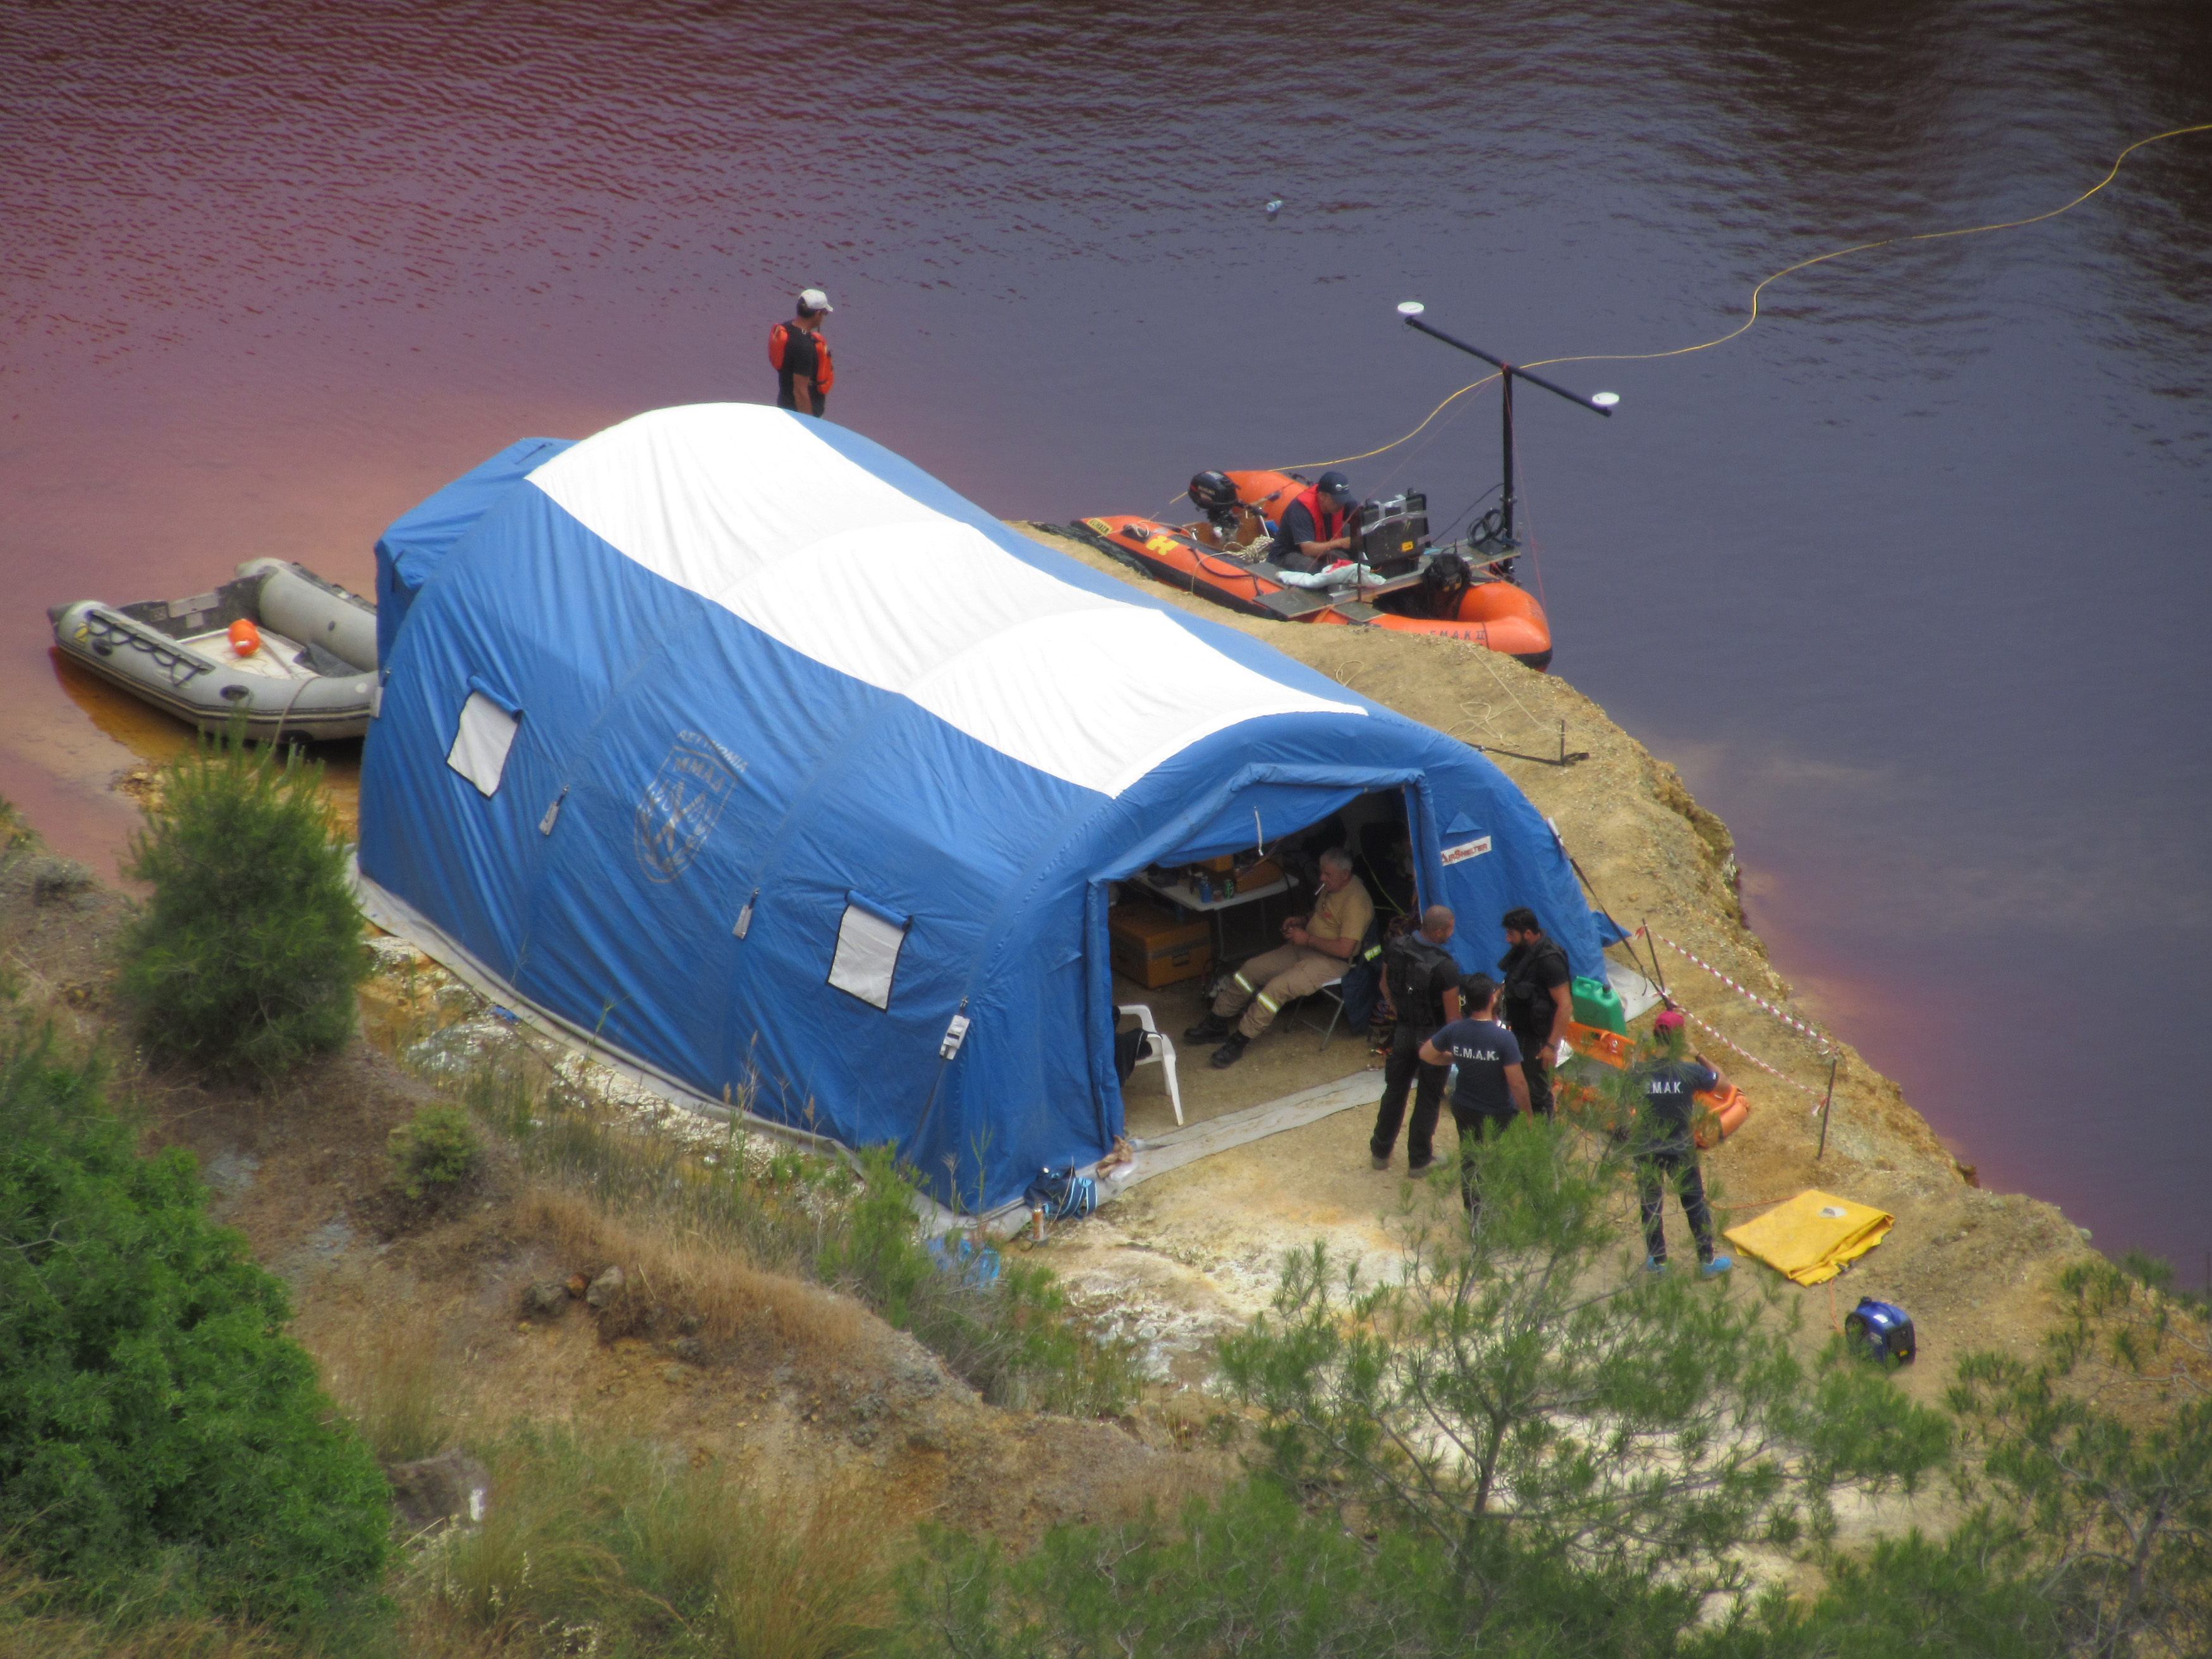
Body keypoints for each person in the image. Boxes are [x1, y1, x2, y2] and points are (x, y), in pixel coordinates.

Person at [1186, 848, 1373, 1068]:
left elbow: (1344, 950)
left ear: (1345, 875)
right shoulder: (1332, 886)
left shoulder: (1356, 901)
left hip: (1330, 962)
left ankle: (1239, 1040)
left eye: (1327, 874)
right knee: (1251, 969)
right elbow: (1322, 915)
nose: (1321, 878)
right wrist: (1302, 921)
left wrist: (1308, 939)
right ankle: (1217, 1021)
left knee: (1274, 990)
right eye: (1321, 872)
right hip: (1305, 947)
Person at [1418, 973, 1531, 1217]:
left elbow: (1426, 1054)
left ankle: (1474, 1213)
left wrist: (1456, 1056)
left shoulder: (1455, 1030)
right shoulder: (1504, 1038)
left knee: (1470, 1159)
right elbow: (1518, 1083)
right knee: (1500, 1160)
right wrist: (1529, 1114)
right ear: (1492, 999)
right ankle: (1498, 1211)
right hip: (1498, 1110)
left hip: (1465, 1106)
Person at [1631, 1009, 1733, 1277]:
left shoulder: (1639, 1072)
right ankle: (1706, 1262)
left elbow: (1625, 1101)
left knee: (1650, 1206)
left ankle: (1658, 1262)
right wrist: (1697, 1053)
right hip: (1680, 1149)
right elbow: (1723, 1085)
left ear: (1655, 1036)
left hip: (1647, 1148)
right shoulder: (1691, 1071)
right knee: (1694, 1204)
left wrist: (1641, 1052)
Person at [1369, 905, 1462, 1172]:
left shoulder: (1397, 946)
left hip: (1403, 1031)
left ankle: (1380, 1151)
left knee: (1395, 1091)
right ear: (1440, 931)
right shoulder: (1446, 967)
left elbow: (1384, 985)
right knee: (1429, 1097)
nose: (1452, 933)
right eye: (1450, 929)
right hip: (1432, 1038)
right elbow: (1453, 1018)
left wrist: (1397, 1010)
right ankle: (1420, 1160)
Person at [1497, 906, 1572, 1119]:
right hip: (1519, 1031)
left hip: (1538, 1039)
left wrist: (1551, 1046)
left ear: (1528, 934)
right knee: (1516, 1089)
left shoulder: (1550, 961)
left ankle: (1541, 1146)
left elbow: (1565, 1005)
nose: (1507, 939)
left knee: (1538, 1096)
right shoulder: (1524, 953)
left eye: (1511, 934)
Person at [1270, 470, 1359, 573]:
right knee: (1310, 566)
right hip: (1287, 555)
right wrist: (1340, 543)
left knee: (1350, 543)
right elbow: (1307, 550)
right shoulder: (1300, 510)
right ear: (1322, 497)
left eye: (1343, 500)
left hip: (1323, 546)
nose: (1341, 505)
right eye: (1337, 501)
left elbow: (1359, 516)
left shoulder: (1342, 504)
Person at [769, 288, 835, 416]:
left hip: (785, 404)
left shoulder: (787, 328)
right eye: (824, 314)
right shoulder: (803, 347)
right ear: (818, 314)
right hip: (799, 415)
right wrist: (810, 423)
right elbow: (800, 392)